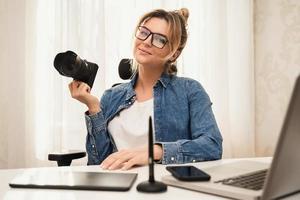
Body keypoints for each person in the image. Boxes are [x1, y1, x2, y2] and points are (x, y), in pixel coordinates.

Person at [69, 8, 222, 170]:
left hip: (164, 189)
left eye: (159, 39)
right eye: (144, 32)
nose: (147, 41)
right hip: (118, 189)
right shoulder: (111, 96)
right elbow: (98, 163)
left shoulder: (190, 91)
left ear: (174, 54)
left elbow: (212, 145)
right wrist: (93, 108)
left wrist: (154, 151)